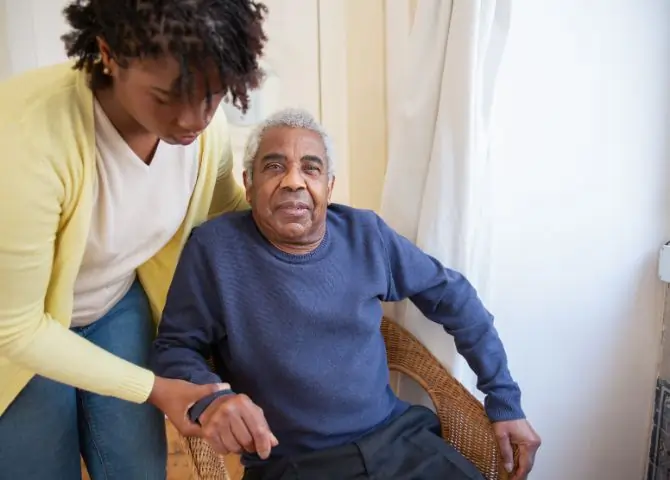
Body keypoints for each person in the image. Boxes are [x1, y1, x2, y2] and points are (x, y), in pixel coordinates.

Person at [151, 108, 542, 480]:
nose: (293, 181)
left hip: (399, 443)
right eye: (273, 167)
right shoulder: (214, 249)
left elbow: (454, 298)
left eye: (311, 168)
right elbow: (173, 348)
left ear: (329, 186)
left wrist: (503, 398)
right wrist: (212, 398)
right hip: (294, 464)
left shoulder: (366, 234)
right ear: (249, 185)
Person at [0, 1, 268, 478]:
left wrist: (314, 227)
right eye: (167, 97)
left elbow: (227, 213)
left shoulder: (206, 136)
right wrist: (153, 388)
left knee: (136, 468)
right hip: (16, 329)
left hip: (114, 302)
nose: (194, 119)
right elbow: (16, 328)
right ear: (109, 53)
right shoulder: (25, 141)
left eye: (212, 95)